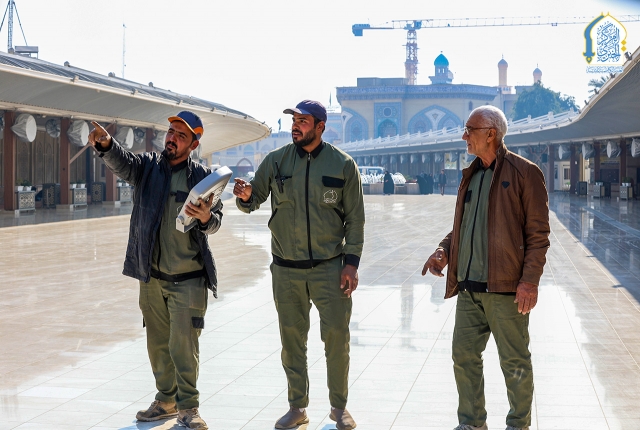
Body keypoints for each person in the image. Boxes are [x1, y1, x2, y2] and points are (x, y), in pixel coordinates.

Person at [233, 100, 364, 430]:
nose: (296, 125)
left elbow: (355, 219)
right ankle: (297, 407)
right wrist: (245, 196)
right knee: (292, 342)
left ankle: (339, 408)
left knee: (337, 338)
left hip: (329, 268)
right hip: (286, 270)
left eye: (303, 121)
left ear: (320, 126)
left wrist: (351, 264)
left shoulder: (342, 165)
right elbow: (253, 199)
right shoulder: (276, 161)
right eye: (294, 120)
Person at [88, 111, 223, 430]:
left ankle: (188, 408)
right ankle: (165, 401)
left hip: (189, 278)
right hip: (151, 277)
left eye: (181, 135)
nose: (172, 138)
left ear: (193, 144)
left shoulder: (203, 178)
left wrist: (205, 217)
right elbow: (124, 163)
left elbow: (215, 222)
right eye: (171, 131)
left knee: (184, 346)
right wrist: (107, 145)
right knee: (158, 344)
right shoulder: (148, 167)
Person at [421, 105, 550, 430]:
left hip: (506, 290)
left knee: (515, 361)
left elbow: (538, 235)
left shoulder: (525, 173)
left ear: (491, 134)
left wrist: (530, 281)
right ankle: (472, 422)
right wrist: (444, 250)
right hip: (469, 289)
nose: (463, 136)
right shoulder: (472, 175)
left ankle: (518, 424)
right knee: (463, 356)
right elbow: (463, 226)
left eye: (469, 130)